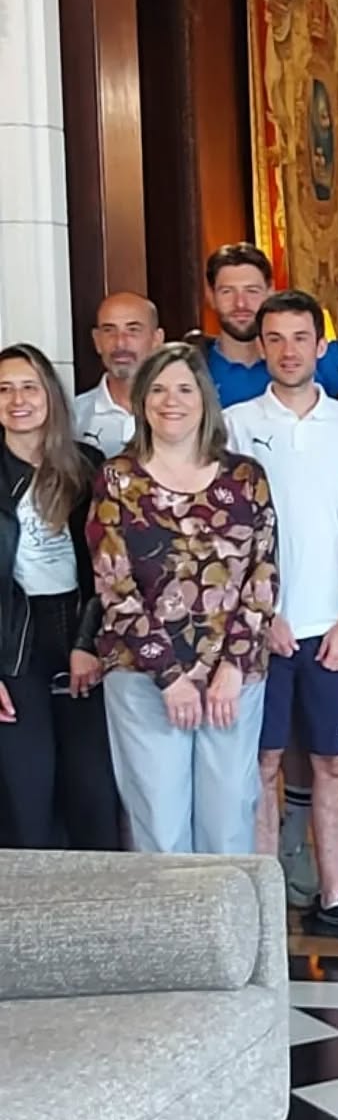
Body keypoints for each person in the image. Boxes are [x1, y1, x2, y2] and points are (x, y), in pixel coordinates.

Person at [226, 291, 338, 940]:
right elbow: (225, 535)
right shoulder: (232, 424)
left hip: (335, 630)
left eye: (300, 337)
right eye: (275, 337)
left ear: (324, 348)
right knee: (260, 766)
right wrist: (260, 614)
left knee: (334, 764)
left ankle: (337, 894)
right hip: (261, 631)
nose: (288, 349)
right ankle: (262, 904)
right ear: (260, 346)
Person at [88, 342, 277, 853]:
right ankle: (170, 936)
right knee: (161, 828)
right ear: (143, 400)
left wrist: (232, 669)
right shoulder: (116, 479)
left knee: (228, 823)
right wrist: (171, 678)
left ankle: (226, 936)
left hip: (230, 680)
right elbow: (115, 587)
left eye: (185, 388)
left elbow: (262, 579)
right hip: (144, 678)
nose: (172, 401)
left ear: (205, 399)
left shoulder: (245, 479)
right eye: (160, 389)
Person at [0, 344, 121, 849]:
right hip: (12, 641)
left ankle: (101, 920)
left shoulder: (88, 467)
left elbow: (112, 567)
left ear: (50, 394)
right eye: (3, 389)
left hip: (78, 628)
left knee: (92, 790)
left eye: (28, 386)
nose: (17, 399)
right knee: (26, 794)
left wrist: (88, 641)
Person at [203, 243, 338, 408]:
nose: (241, 304)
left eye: (252, 291)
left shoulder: (319, 360)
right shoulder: (197, 369)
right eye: (227, 292)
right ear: (210, 295)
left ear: (270, 290)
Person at [73, 292, 165, 456]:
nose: (120, 342)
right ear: (97, 341)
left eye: (133, 330)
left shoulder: (179, 411)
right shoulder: (73, 417)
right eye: (109, 330)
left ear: (157, 339)